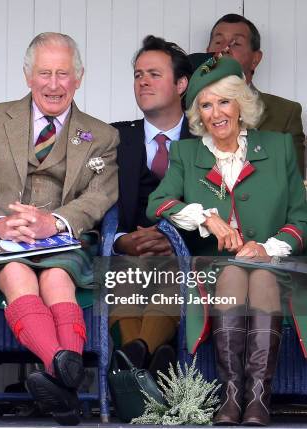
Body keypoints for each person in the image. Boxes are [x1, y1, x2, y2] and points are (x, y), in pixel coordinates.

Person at [147, 56, 307, 426]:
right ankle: (234, 395)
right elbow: (158, 203)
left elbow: (301, 221)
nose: (216, 113)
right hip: (217, 268)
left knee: (260, 274)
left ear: (240, 103)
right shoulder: (187, 153)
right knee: (232, 275)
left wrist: (267, 248)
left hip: (278, 266)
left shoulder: (277, 149)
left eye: (224, 101)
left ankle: (257, 397)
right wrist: (207, 218)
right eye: (206, 105)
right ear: (198, 112)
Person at [0, 32, 119, 425]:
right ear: (28, 75)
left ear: (79, 78)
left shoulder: (102, 134)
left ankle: (58, 377)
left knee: (58, 280)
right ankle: (67, 372)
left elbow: (101, 196)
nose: (53, 84)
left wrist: (56, 222)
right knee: (16, 275)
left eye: (63, 74)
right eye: (45, 73)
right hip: (2, 238)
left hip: (63, 238)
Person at [109, 35, 193, 376]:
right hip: (125, 253)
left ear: (181, 83)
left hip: (185, 254)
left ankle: (132, 369)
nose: (143, 81)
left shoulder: (207, 141)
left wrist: (174, 240)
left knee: (172, 270)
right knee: (123, 273)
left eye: (154, 74)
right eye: (138, 74)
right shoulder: (112, 138)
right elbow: (95, 203)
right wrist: (121, 240)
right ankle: (150, 358)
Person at [207, 13, 307, 177]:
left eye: (236, 43)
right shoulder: (188, 107)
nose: (224, 49)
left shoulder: (286, 113)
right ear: (206, 53)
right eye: (218, 42)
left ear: (256, 59)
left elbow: (295, 184)